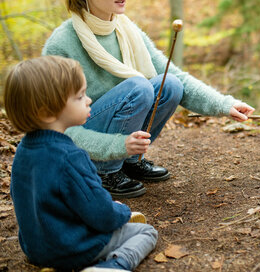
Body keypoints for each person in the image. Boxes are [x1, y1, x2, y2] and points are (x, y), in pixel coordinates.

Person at [43, 0, 254, 198]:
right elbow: (58, 128)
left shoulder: (126, 30)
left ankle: (129, 162)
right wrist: (113, 146)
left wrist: (223, 105)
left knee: (169, 84)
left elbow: (175, 76)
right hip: (84, 140)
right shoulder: (61, 43)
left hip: (119, 134)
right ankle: (104, 171)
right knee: (139, 86)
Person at [4, 56, 158, 271]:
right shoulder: (71, 156)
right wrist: (120, 212)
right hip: (73, 248)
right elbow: (100, 214)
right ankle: (113, 266)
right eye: (79, 97)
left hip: (36, 249)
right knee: (146, 232)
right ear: (46, 112)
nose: (88, 100)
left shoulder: (23, 150)